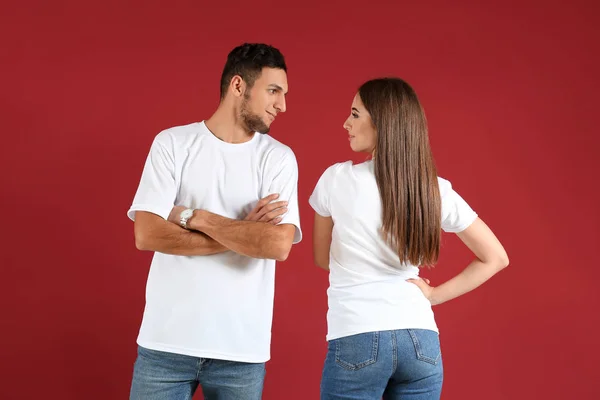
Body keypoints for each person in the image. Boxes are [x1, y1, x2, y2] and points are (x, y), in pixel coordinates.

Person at [309, 77, 509, 400]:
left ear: (381, 122)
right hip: (421, 341)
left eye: (355, 114)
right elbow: (496, 257)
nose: (346, 123)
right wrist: (432, 295)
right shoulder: (432, 189)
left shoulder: (335, 180)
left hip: (357, 337)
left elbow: (322, 259)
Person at [127, 43, 302, 400]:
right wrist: (245, 233)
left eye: (283, 94)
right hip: (166, 344)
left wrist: (195, 217)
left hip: (241, 351)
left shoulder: (278, 159)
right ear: (239, 86)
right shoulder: (173, 144)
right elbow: (146, 234)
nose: (282, 105)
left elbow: (277, 245)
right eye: (273, 91)